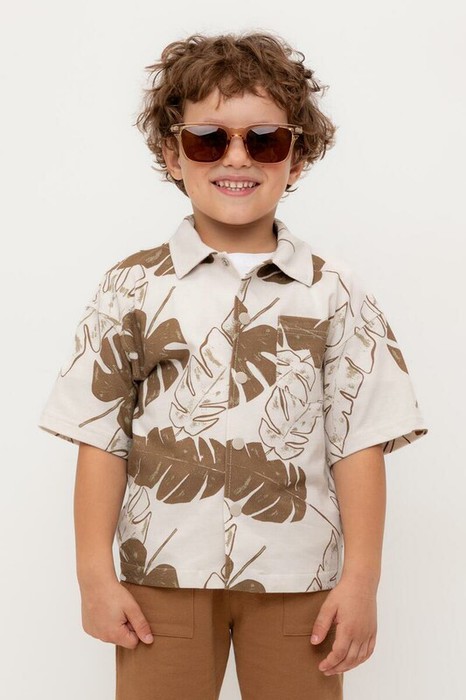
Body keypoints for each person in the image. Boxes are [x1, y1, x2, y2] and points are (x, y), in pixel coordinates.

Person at [38, 31, 429, 700]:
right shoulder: (130, 288)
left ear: (296, 158)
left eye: (265, 140)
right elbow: (99, 436)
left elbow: (360, 438)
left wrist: (362, 581)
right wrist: (93, 576)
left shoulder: (336, 292)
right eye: (208, 140)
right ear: (173, 153)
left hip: (299, 581)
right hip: (160, 580)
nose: (237, 158)